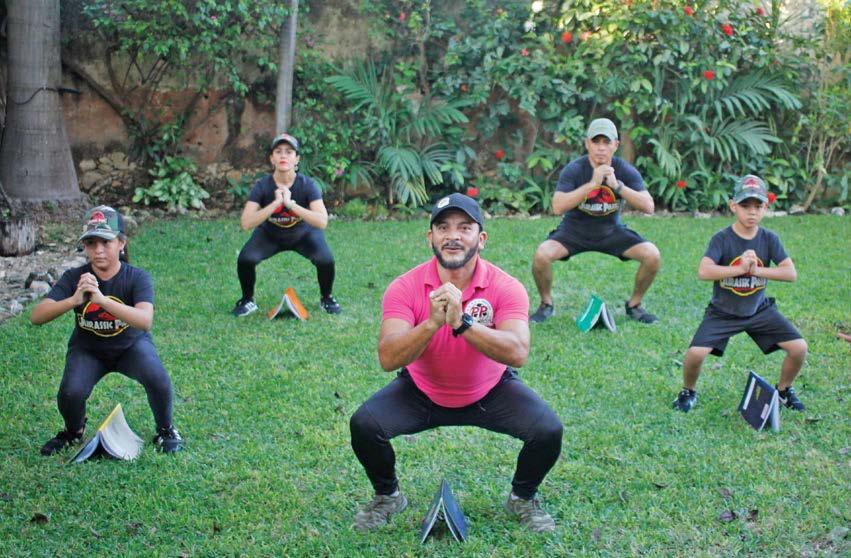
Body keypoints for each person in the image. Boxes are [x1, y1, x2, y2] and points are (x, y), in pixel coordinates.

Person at [349, 194, 563, 533]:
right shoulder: (404, 287)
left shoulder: (506, 287)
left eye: (465, 228)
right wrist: (432, 323)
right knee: (364, 425)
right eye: (443, 227)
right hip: (422, 391)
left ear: (481, 238)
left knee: (548, 430)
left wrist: (462, 323)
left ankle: (522, 498)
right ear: (430, 237)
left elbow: (518, 351)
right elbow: (388, 357)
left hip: (490, 390)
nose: (453, 236)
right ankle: (388, 496)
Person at [31, 206, 184, 455]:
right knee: (70, 393)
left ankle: (165, 429)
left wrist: (101, 301)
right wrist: (73, 300)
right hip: (88, 349)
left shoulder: (137, 277)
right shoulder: (75, 277)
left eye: (106, 242)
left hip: (131, 346)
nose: (98, 250)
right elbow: (37, 316)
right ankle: (73, 432)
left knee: (158, 378)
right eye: (91, 243)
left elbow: (145, 320)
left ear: (121, 243)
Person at [672, 175, 808, 413]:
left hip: (758, 310)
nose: (752, 212)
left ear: (766, 207)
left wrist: (756, 270)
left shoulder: (769, 239)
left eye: (758, 206)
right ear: (733, 205)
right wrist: (740, 269)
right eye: (745, 205)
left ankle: (784, 390)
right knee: (695, 354)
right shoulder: (722, 238)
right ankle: (688, 391)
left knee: (799, 348)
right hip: (723, 312)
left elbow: (790, 273)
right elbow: (704, 271)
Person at [530, 118, 660, 323]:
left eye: (606, 142)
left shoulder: (624, 169)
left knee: (652, 255)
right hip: (574, 231)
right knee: (542, 255)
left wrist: (618, 186)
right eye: (596, 141)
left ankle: (634, 305)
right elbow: (557, 206)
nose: (601, 148)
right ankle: (546, 304)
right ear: (587, 144)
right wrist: (592, 184)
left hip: (611, 232)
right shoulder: (574, 169)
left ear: (615, 145)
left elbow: (649, 206)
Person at [232, 133, 341, 316]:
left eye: (289, 152)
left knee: (326, 259)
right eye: (278, 151)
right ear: (272, 158)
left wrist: (290, 205)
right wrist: (275, 204)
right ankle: (247, 300)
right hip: (270, 235)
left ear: (296, 159)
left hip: (303, 235)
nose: (283, 155)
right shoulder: (262, 185)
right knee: (245, 259)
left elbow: (322, 221)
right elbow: (246, 223)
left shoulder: (308, 185)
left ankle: (326, 298)